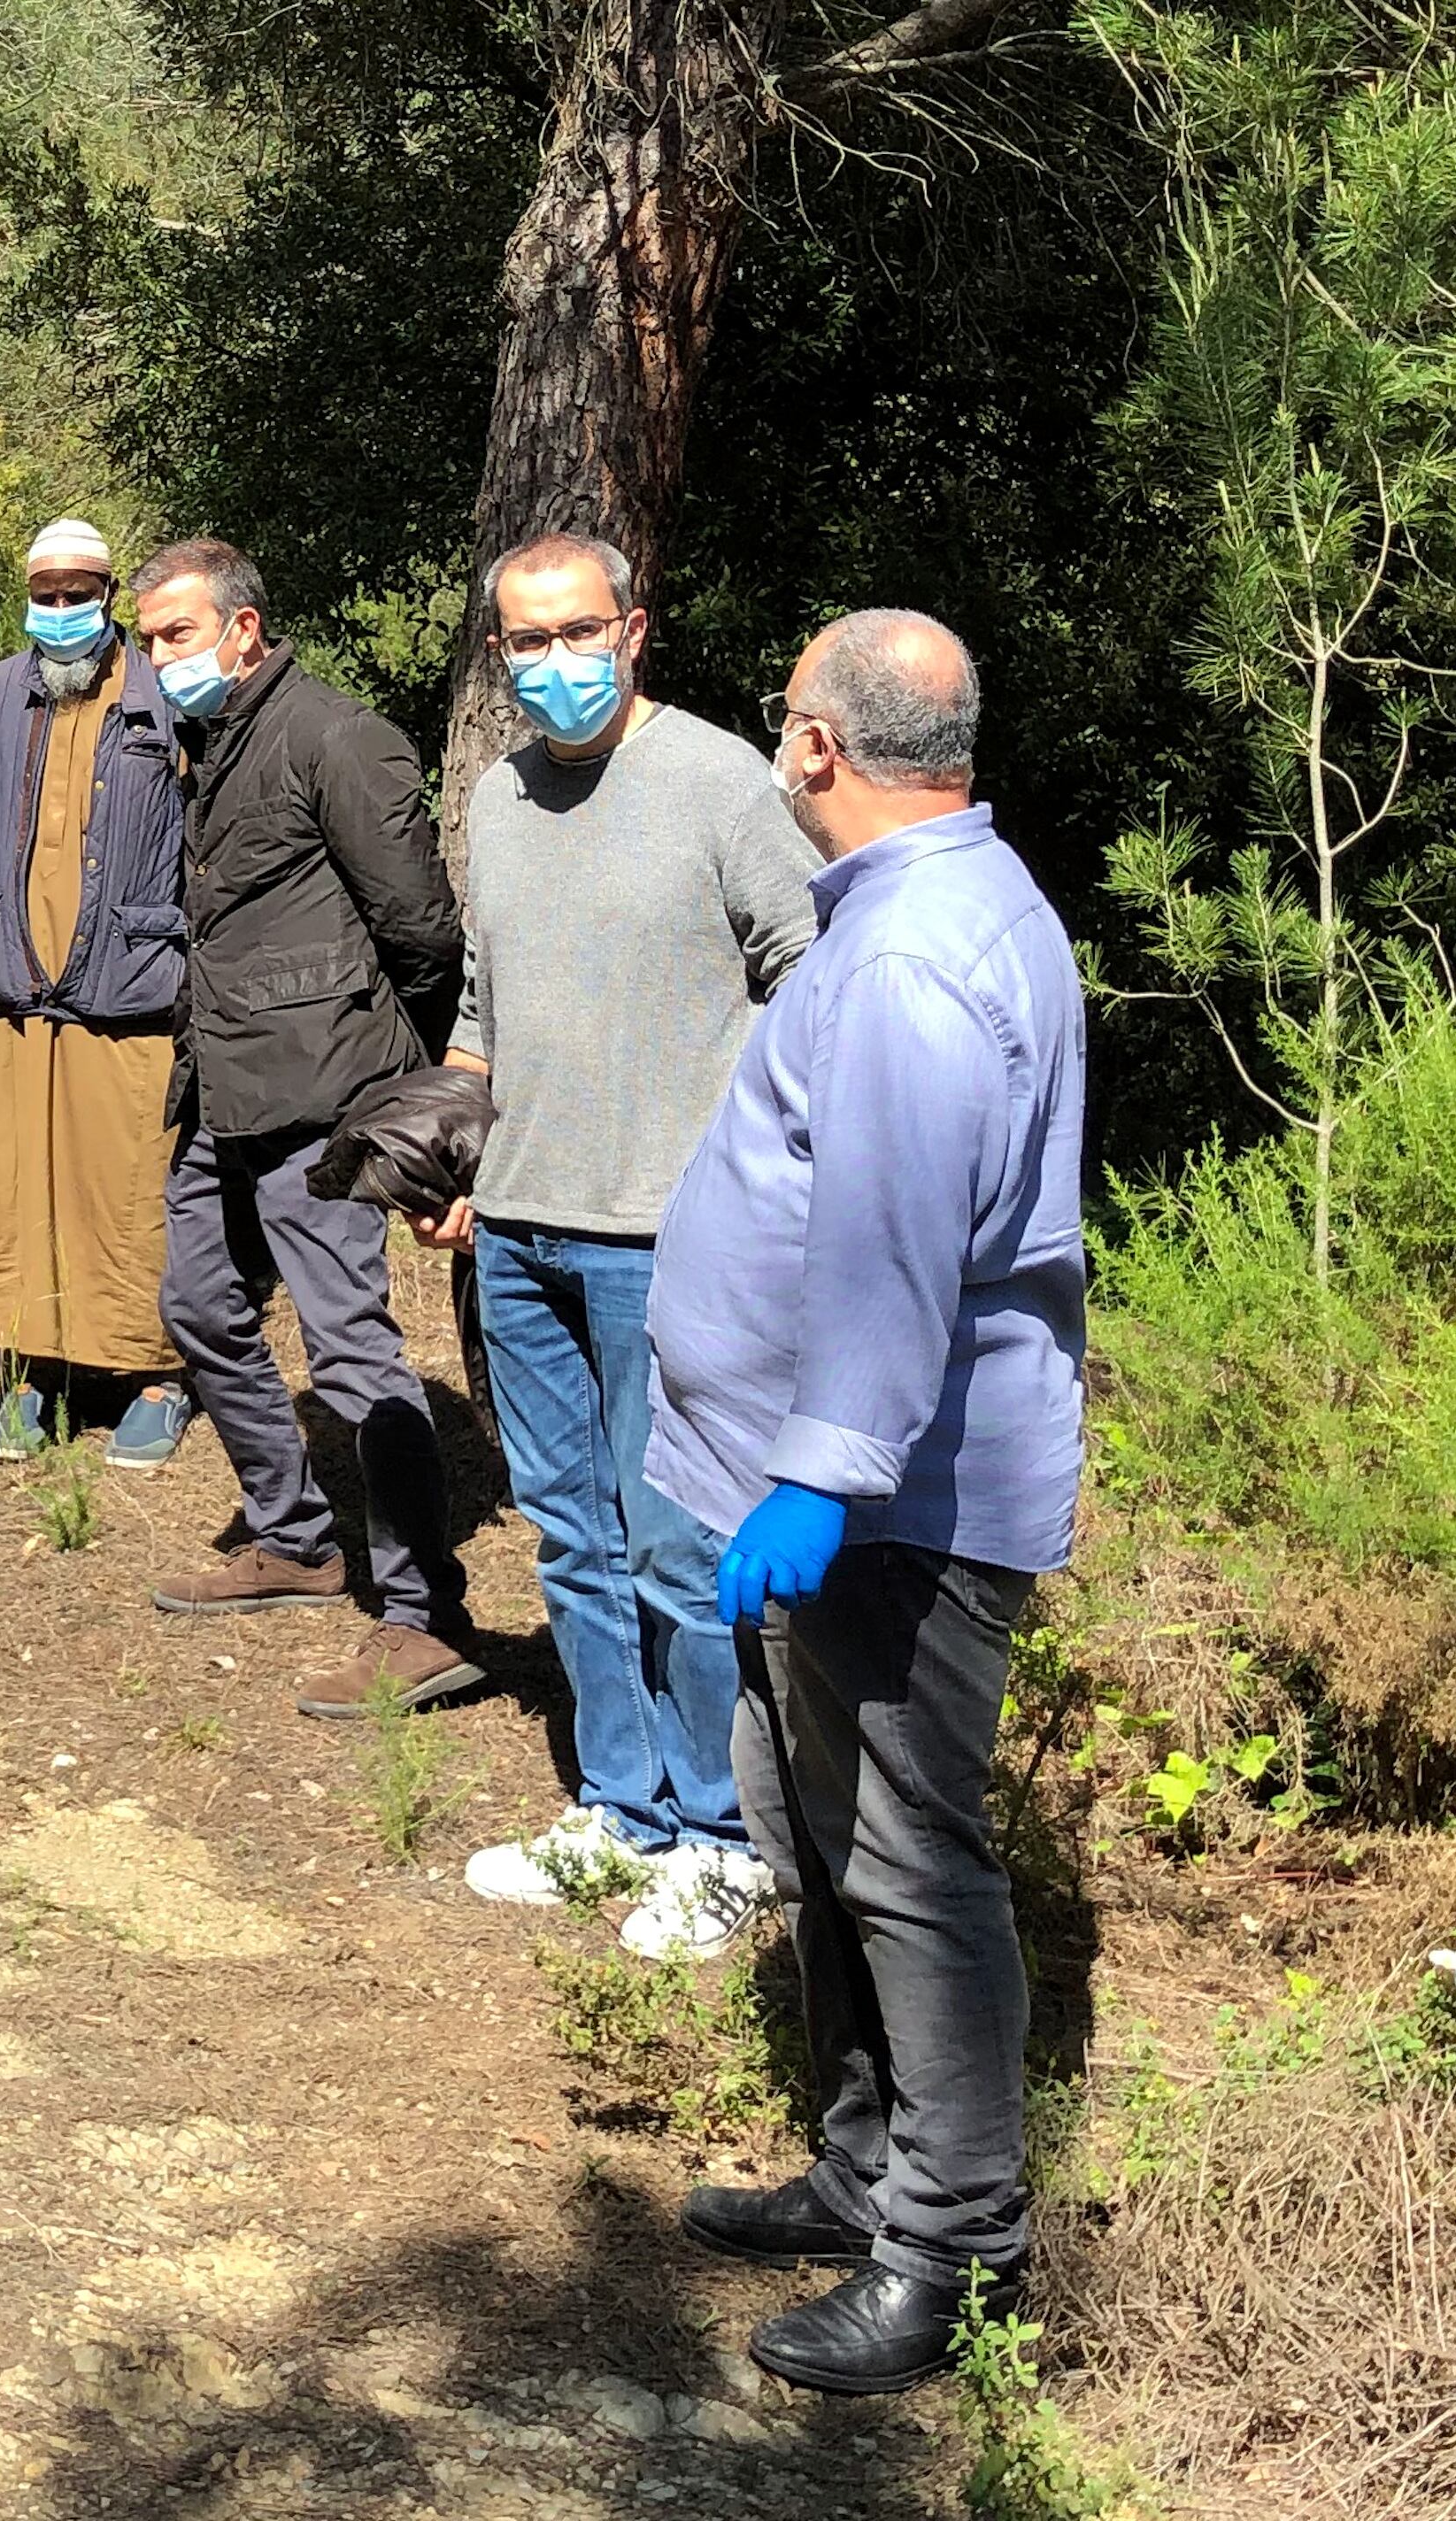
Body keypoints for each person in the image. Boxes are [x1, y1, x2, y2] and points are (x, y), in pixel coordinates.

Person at [647, 609, 1085, 2396]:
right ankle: (863, 2167)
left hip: (894, 1506)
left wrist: (820, 1470)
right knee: (814, 1822)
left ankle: (956, 2250)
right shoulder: (920, 907)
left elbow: (897, 1244)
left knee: (909, 1860)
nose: (778, 744)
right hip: (827, 1486)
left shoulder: (913, 955)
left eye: (783, 718)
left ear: (819, 745)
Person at [421, 532, 819, 1962]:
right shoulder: (501, 796)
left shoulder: (720, 780)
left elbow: (808, 973)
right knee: (571, 1536)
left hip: (671, 1238)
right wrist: (446, 1142)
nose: (555, 662)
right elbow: (483, 1004)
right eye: (526, 640)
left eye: (577, 631)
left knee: (679, 1541)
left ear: (634, 630)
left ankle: (724, 1837)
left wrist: (752, 1162)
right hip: (519, 1230)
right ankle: (622, 1808)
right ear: (498, 652)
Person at [129, 538, 477, 1713]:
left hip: (323, 1100)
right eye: (147, 640)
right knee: (197, 1304)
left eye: (176, 633)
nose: (157, 657)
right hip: (222, 1092)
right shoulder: (210, 743)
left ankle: (426, 1612)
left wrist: (382, 1074)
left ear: (244, 629)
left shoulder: (335, 736)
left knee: (349, 1350)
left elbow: (422, 934)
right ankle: (293, 1538)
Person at [0, 517, 192, 1470]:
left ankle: (155, 1374)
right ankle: (27, 1371)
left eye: (77, 595)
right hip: (12, 985)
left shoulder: (161, 694)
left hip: (127, 988)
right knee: (12, 1183)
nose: (59, 611)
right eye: (44, 596)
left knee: (130, 1183)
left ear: (109, 596)